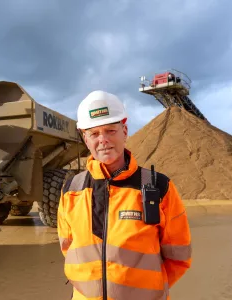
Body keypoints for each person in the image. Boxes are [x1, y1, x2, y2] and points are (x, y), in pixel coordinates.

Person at [57, 90, 192, 300]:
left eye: (110, 130)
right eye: (94, 133)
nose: (103, 140)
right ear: (85, 139)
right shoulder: (71, 190)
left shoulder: (159, 187)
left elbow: (179, 256)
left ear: (125, 131)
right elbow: (68, 249)